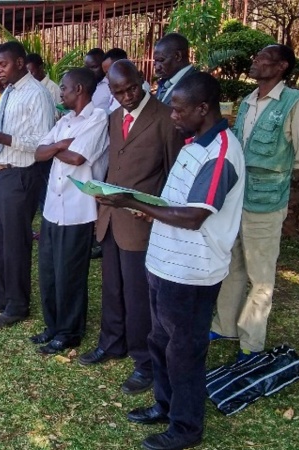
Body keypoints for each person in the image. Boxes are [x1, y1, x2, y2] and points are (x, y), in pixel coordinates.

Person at [101, 72, 245, 450]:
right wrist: (149, 210)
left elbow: (195, 215)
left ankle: (186, 428)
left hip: (191, 272)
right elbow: (175, 204)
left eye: (179, 110)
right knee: (161, 341)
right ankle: (164, 406)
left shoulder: (221, 153)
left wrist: (131, 201)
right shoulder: (194, 143)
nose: (172, 115)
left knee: (184, 351)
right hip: (164, 263)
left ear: (203, 108)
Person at [79, 60, 182, 396]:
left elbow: (172, 173)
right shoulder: (112, 117)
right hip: (110, 217)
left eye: (131, 88)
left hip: (141, 221)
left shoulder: (166, 117)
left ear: (143, 80)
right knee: (112, 286)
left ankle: (144, 361)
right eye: (117, 91)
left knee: (139, 296)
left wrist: (155, 211)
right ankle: (111, 342)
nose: (125, 96)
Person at [211, 44, 299, 359]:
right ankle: (224, 325)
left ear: (282, 66)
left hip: (266, 203)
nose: (255, 62)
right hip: (238, 199)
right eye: (255, 57)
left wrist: (274, 171)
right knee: (233, 265)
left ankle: (251, 341)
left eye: (262, 59)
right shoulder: (247, 101)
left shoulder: (294, 103)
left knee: (260, 276)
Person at [0, 41, 55, 328]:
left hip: (21, 175)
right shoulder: (8, 91)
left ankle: (18, 305)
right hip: (0, 172)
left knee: (16, 242)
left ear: (20, 63)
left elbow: (44, 143)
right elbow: (6, 130)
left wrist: (3, 138)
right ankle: (1, 295)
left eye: (3, 64)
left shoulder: (37, 94)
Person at [31, 68, 109, 354]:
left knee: (70, 274)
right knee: (49, 271)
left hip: (78, 210)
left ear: (78, 88)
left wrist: (56, 148)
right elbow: (38, 153)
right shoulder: (65, 120)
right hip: (52, 207)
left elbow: (78, 157)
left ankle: (70, 331)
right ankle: (53, 326)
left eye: (63, 87)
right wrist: (60, 144)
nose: (60, 92)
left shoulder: (98, 118)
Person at [153, 33, 198, 105]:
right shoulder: (166, 81)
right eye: (155, 61)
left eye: (161, 60)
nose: (157, 67)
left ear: (178, 56)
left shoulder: (195, 84)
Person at [84, 48, 111, 112]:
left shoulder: (110, 85)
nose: (89, 71)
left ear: (103, 65)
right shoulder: (84, 85)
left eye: (94, 67)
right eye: (86, 68)